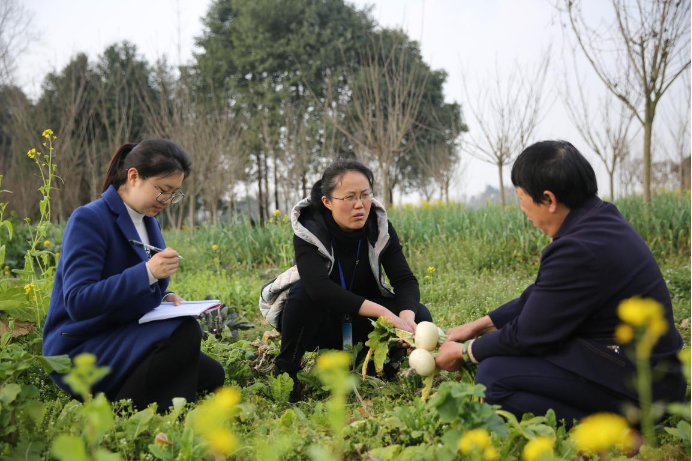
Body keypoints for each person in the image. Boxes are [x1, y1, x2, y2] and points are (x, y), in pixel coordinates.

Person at [435, 140, 685, 426]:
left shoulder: (578, 247)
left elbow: (529, 334)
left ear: (549, 200)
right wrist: (475, 327)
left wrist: (466, 352)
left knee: (493, 376)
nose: (523, 210)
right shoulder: (600, 218)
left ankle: (622, 436)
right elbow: (542, 298)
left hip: (640, 386)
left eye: (521, 199)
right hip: (652, 372)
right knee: (504, 361)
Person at [43, 140, 224, 411]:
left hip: (123, 330)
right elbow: (78, 301)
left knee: (212, 375)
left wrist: (164, 297)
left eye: (174, 194)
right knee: (185, 334)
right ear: (133, 176)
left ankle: (149, 400)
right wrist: (147, 273)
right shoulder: (89, 219)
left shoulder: (149, 222)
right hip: (83, 343)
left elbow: (134, 285)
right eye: (163, 190)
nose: (167, 201)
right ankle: (134, 411)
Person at [274, 159, 433, 380]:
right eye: (349, 197)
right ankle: (286, 371)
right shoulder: (309, 230)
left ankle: (378, 366)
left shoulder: (379, 227)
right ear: (327, 202)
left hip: (361, 320)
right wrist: (383, 313)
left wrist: (406, 318)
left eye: (365, 195)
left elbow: (405, 279)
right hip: (321, 322)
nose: (359, 204)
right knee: (303, 293)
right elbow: (319, 289)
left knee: (421, 314)